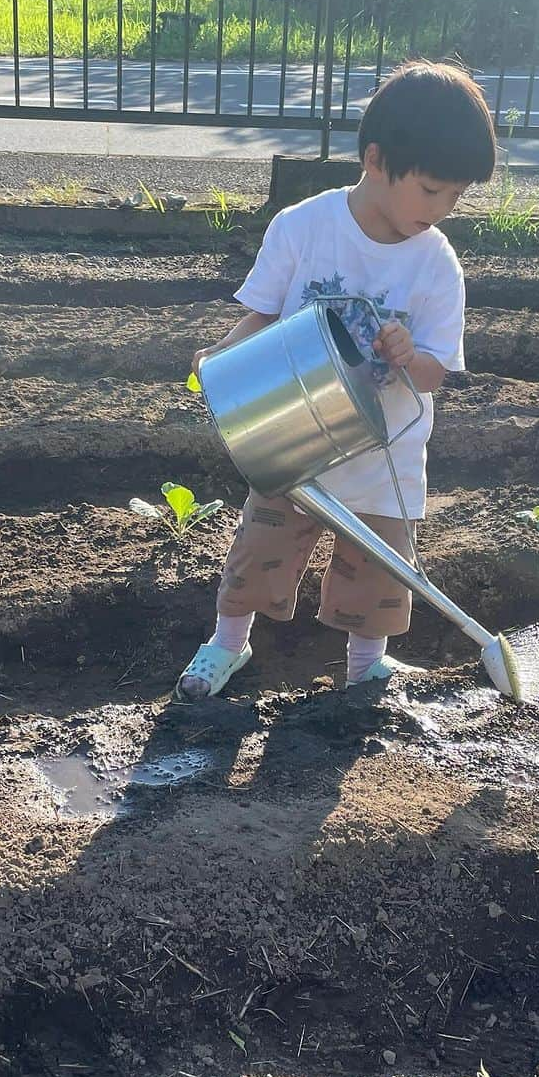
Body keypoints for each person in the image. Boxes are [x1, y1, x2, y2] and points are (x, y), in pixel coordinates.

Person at [175, 60, 496, 701]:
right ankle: (228, 646)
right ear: (376, 160)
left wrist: (410, 357)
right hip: (297, 440)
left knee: (377, 573)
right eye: (432, 190)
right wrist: (217, 359)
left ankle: (364, 668)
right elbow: (262, 315)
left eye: (456, 196)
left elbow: (436, 375)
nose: (442, 209)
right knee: (259, 551)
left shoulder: (437, 266)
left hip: (385, 455)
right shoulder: (303, 228)